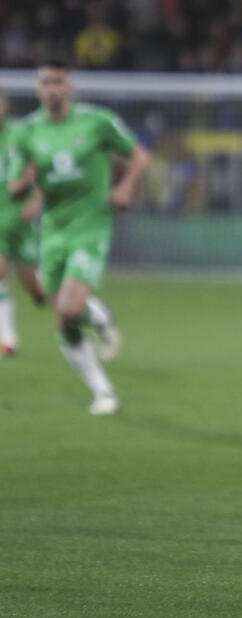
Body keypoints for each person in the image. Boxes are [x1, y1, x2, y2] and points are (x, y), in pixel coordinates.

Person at [8, 59, 147, 414]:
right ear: (38, 89)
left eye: (58, 81)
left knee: (69, 308)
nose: (51, 88)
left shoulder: (96, 122)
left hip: (91, 224)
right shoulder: (26, 133)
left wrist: (126, 187)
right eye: (45, 82)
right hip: (52, 229)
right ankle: (103, 388)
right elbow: (15, 186)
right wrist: (22, 186)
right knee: (63, 319)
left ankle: (94, 317)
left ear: (69, 86)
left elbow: (138, 155)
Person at [0, 91, 46, 357]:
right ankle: (8, 337)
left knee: (32, 281)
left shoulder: (21, 132)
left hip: (20, 215)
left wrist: (37, 199)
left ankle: (46, 295)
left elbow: (40, 163)